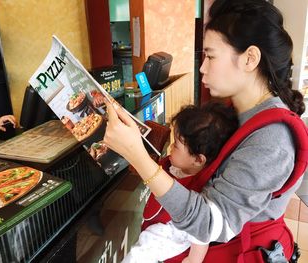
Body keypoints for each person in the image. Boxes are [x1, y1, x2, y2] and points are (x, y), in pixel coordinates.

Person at [103, 0, 306, 261]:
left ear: (250, 58)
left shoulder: (272, 140)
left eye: (210, 56)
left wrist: (138, 157)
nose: (202, 68)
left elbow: (209, 224)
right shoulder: (237, 112)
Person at [122, 102, 238, 263]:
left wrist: (193, 260)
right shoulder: (178, 166)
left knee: (137, 256)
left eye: (176, 145)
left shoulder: (200, 189)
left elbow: (201, 232)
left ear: (198, 159)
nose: (170, 147)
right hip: (157, 225)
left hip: (169, 237)